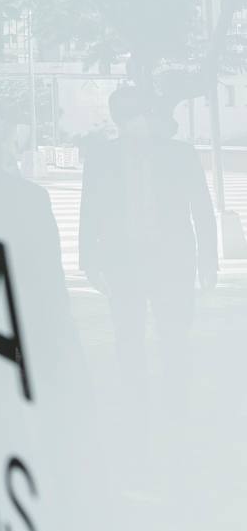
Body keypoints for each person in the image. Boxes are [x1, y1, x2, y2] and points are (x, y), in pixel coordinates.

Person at [79, 86, 217, 397]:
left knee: (175, 335)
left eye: (137, 112)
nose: (133, 121)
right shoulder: (102, 158)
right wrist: (88, 260)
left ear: (149, 114)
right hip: (123, 261)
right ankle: (134, 396)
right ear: (116, 118)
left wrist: (209, 260)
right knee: (128, 335)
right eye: (124, 114)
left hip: (173, 261)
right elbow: (89, 211)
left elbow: (202, 210)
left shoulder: (180, 154)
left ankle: (176, 398)